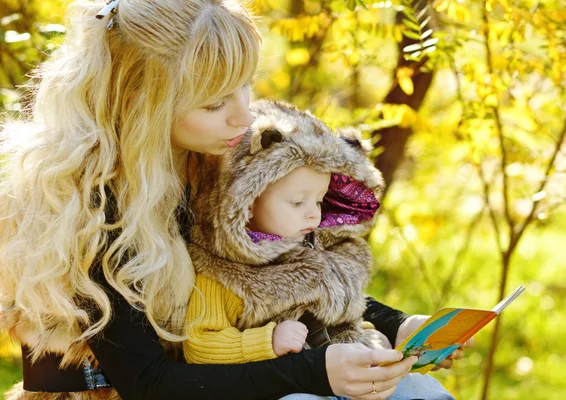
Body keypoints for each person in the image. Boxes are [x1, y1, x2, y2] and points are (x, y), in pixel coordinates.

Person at [0, 0, 467, 399]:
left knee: (418, 392)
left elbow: (280, 273)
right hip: (116, 393)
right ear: (142, 101)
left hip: (241, 370)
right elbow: (146, 381)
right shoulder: (85, 202)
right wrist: (316, 370)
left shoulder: (216, 159)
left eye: (244, 86)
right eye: (213, 103)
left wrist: (397, 324)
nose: (243, 116)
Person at [183, 100, 392, 367]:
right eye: (297, 202)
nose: (313, 215)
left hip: (341, 376)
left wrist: (369, 338)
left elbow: (330, 320)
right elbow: (199, 346)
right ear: (247, 202)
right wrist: (267, 341)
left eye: (319, 201)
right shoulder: (221, 273)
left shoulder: (320, 251)